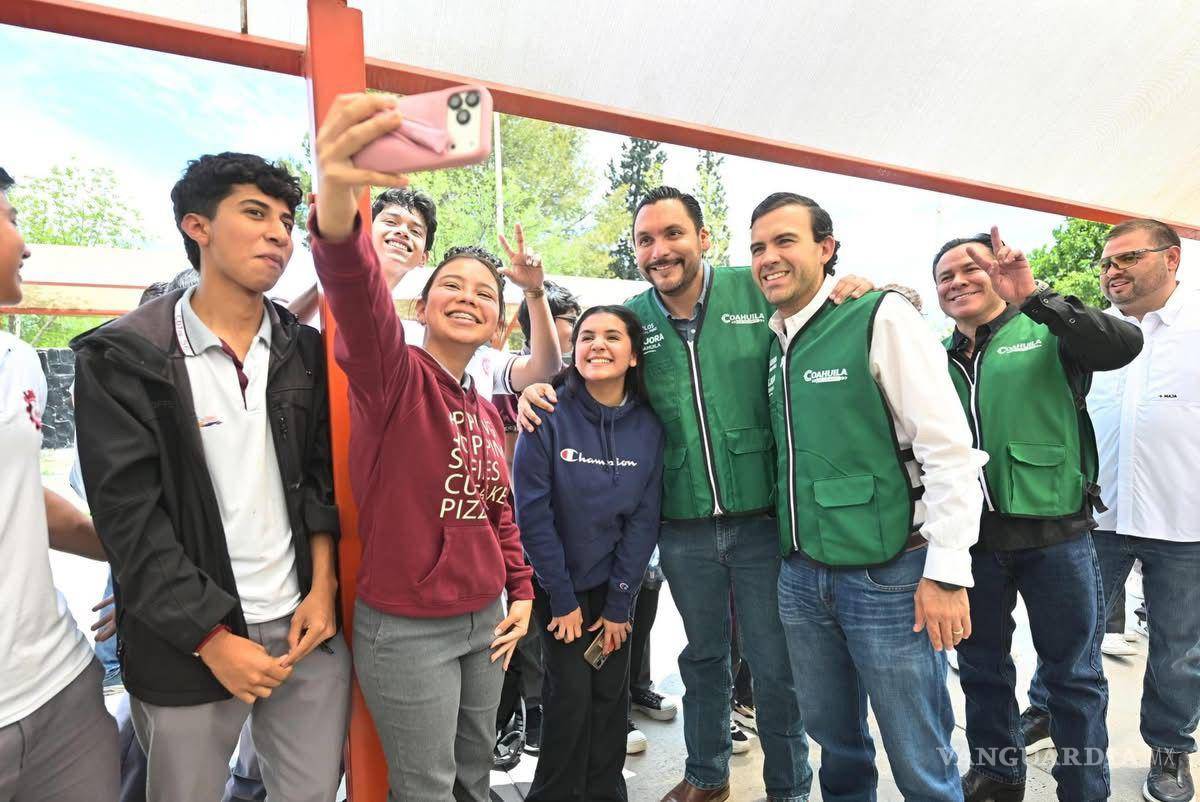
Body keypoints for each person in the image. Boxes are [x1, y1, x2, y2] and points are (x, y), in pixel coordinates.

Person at [520, 186, 873, 802]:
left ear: (703, 238)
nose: (661, 250)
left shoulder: (755, 288)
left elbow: (825, 312)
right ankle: (707, 776)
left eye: (673, 234)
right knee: (703, 658)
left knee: (773, 664)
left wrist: (864, 288)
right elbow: (587, 376)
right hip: (681, 524)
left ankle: (788, 788)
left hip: (765, 520)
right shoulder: (635, 318)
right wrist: (534, 391)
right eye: (646, 240)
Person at [72, 152, 348, 802]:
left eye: (285, 219)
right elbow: (129, 520)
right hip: (187, 641)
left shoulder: (304, 351)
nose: (279, 233)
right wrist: (209, 637)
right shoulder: (123, 357)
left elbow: (319, 481)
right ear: (197, 226)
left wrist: (324, 587)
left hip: (304, 628)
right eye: (255, 214)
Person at [308, 92, 534, 801]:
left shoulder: (487, 407)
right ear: (421, 303)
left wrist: (520, 593)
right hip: (407, 630)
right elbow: (355, 294)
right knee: (428, 788)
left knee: (474, 776)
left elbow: (498, 511)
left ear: (500, 325)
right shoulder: (393, 379)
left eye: (486, 294)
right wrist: (340, 189)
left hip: (487, 621)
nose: (469, 297)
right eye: (452, 286)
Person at [751, 192, 986, 801]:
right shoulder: (775, 341)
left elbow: (949, 451)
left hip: (892, 575)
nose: (768, 258)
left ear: (826, 250)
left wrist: (947, 572)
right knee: (836, 740)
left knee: (920, 750)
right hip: (802, 576)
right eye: (757, 248)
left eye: (784, 241)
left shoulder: (880, 315)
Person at [935, 227, 1142, 802]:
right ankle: (997, 776)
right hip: (972, 545)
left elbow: (1122, 344)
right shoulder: (935, 357)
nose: (958, 281)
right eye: (945, 275)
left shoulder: (1047, 329)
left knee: (1073, 679)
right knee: (981, 671)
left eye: (970, 268)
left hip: (1058, 536)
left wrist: (1037, 296)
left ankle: (1083, 788)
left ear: (998, 275)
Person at [1026, 218, 1198, 802]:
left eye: (1127, 257)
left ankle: (1170, 748)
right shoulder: (1093, 336)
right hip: (1096, 520)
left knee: (1178, 648)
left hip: (1185, 520)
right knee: (1070, 629)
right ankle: (1045, 708)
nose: (1110, 270)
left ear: (1172, 260)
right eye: (1105, 261)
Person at [0, 165, 120, 802]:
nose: (25, 243)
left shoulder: (19, 361)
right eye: (11, 218)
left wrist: (142, 558)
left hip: (58, 687)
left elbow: (18, 495)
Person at [513, 304, 664, 801]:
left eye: (613, 336)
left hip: (616, 588)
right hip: (560, 590)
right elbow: (533, 515)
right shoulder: (546, 412)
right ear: (573, 351)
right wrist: (562, 598)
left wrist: (621, 604)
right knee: (569, 700)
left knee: (608, 700)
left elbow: (643, 521)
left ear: (634, 356)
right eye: (587, 336)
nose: (598, 344)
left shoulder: (648, 426)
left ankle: (605, 792)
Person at [290, 186, 563, 397]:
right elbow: (280, 334)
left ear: (423, 257)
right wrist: (336, 270)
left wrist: (535, 291)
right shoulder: (321, 311)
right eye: (391, 222)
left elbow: (544, 368)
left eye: (415, 230)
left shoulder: (430, 340)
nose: (402, 233)